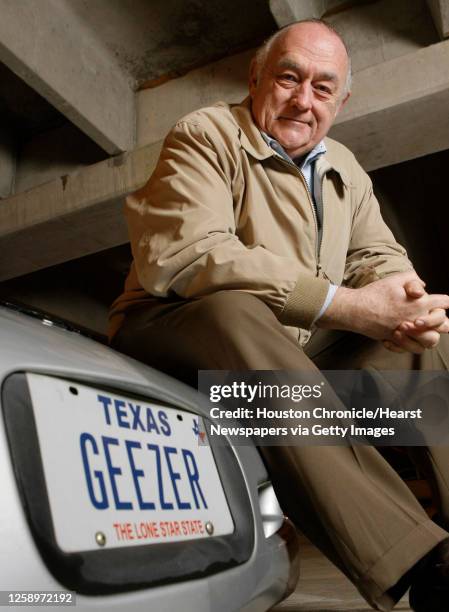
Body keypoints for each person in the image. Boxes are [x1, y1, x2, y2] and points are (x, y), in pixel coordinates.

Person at [109, 19, 449, 611]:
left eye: (322, 88)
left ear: (341, 102)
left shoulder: (344, 167)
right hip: (174, 326)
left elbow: (378, 257)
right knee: (235, 310)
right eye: (288, 78)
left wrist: (409, 307)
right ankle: (412, 557)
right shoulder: (205, 133)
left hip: (282, 344)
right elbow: (189, 256)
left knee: (428, 347)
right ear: (256, 78)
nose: (302, 99)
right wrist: (345, 304)